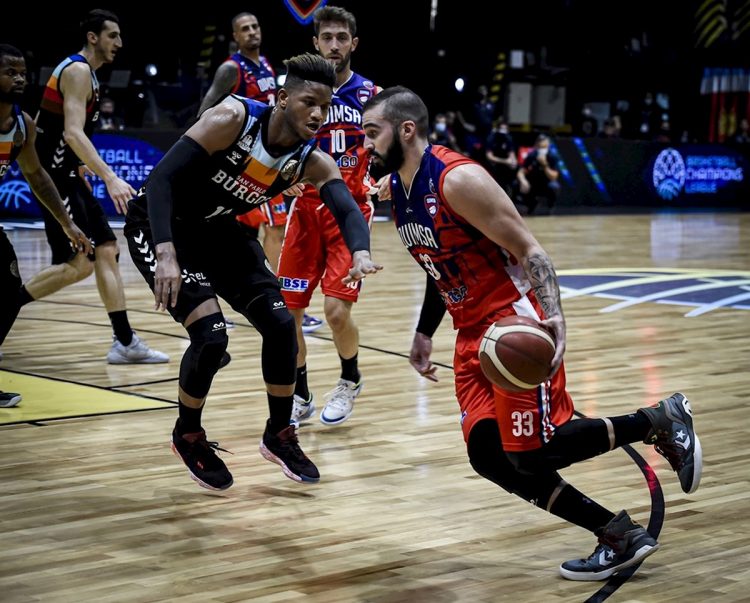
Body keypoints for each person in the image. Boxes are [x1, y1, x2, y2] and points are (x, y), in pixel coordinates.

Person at [362, 86, 702, 581]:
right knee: (488, 455)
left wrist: (554, 317)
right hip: (468, 333)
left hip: (511, 325)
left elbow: (531, 251)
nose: (367, 142)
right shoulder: (399, 188)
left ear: (406, 130)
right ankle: (620, 533)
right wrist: (423, 332)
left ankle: (656, 420)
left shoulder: (458, 180)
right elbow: (442, 263)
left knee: (535, 451)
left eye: (374, 132)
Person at [123, 53, 381, 489]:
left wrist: (360, 251)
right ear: (282, 98)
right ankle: (187, 433)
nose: (318, 114)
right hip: (160, 224)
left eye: (325, 105)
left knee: (281, 325)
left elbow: (345, 207)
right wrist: (165, 253)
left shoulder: (310, 160)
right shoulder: (233, 117)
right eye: (307, 102)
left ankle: (279, 433)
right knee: (211, 336)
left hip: (217, 230)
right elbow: (162, 178)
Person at [21, 9, 168, 364]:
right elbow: (71, 132)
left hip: (66, 173)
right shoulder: (77, 71)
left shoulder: (86, 75)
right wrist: (109, 176)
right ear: (93, 37)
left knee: (105, 249)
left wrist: (78, 163)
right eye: (112, 35)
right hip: (54, 180)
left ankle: (125, 341)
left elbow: (45, 122)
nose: (119, 42)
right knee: (79, 263)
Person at [279, 5, 380, 427]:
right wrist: (278, 178)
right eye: (327, 38)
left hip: (349, 211)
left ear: (353, 43)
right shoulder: (298, 93)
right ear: (315, 43)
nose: (334, 45)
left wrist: (389, 176)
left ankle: (350, 380)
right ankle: (300, 392)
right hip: (303, 212)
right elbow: (276, 142)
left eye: (342, 37)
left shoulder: (371, 94)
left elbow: (391, 146)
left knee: (337, 312)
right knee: (290, 315)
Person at [197, 12, 322, 334]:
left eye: (255, 26)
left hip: (267, 159)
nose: (252, 32)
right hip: (249, 161)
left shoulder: (265, 64)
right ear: (235, 37)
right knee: (276, 230)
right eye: (244, 29)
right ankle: (278, 301)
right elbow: (205, 110)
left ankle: (235, 303)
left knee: (239, 239)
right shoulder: (231, 68)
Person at [0, 44, 92, 407]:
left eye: (23, 71)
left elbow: (37, 177)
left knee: (8, 293)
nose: (19, 78)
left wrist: (68, 224)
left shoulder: (22, 126)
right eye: (10, 71)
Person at [516, 134, 560, 215]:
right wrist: (523, 181)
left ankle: (550, 207)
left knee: (554, 186)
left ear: (548, 143)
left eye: (543, 141)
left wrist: (545, 165)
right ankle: (530, 205)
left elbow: (554, 176)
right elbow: (521, 171)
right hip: (533, 182)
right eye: (539, 141)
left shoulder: (552, 156)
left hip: (546, 183)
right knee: (516, 184)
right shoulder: (532, 155)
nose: (541, 143)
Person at [485, 117, 517, 197]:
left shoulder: (508, 137)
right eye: (501, 129)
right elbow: (489, 156)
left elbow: (511, 152)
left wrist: (513, 162)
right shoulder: (491, 137)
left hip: (505, 164)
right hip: (494, 164)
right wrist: (505, 161)